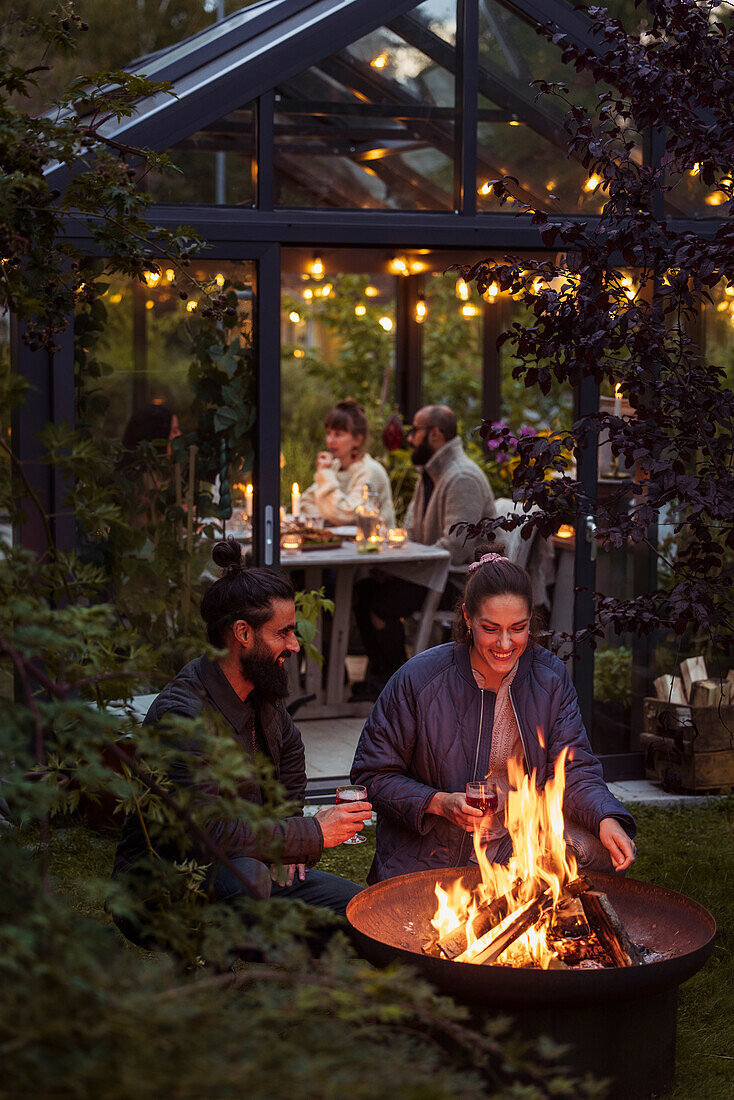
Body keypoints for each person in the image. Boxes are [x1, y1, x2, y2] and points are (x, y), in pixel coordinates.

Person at [112, 539, 371, 946]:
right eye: (284, 632)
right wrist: (309, 833)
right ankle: (229, 981)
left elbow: (290, 755)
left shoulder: (260, 693)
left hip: (253, 861)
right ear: (243, 633)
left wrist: (288, 849)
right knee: (251, 881)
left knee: (363, 911)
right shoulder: (183, 716)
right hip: (170, 881)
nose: (295, 645)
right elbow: (208, 831)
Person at [351, 551, 636, 884]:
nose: (505, 643)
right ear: (467, 618)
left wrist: (605, 817)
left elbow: (574, 768)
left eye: (518, 628)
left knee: (591, 849)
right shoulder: (419, 679)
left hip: (515, 844)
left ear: (532, 621)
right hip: (433, 853)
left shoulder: (549, 678)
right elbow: (372, 774)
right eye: (490, 628)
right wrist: (440, 803)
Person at [352, 404, 497, 699]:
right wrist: (391, 565)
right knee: (363, 591)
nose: (409, 438)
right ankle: (383, 677)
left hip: (460, 583)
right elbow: (414, 533)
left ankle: (394, 685)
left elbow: (456, 549)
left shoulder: (461, 478)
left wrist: (401, 569)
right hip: (432, 573)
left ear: (435, 434)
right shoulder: (431, 474)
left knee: (380, 602)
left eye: (415, 431)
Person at [300, 398, 395, 527]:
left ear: (357, 440)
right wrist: (332, 516)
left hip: (373, 545)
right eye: (329, 433)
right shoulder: (336, 467)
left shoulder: (370, 470)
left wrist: (326, 475)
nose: (330, 440)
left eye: (338, 435)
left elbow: (346, 514)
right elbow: (305, 504)